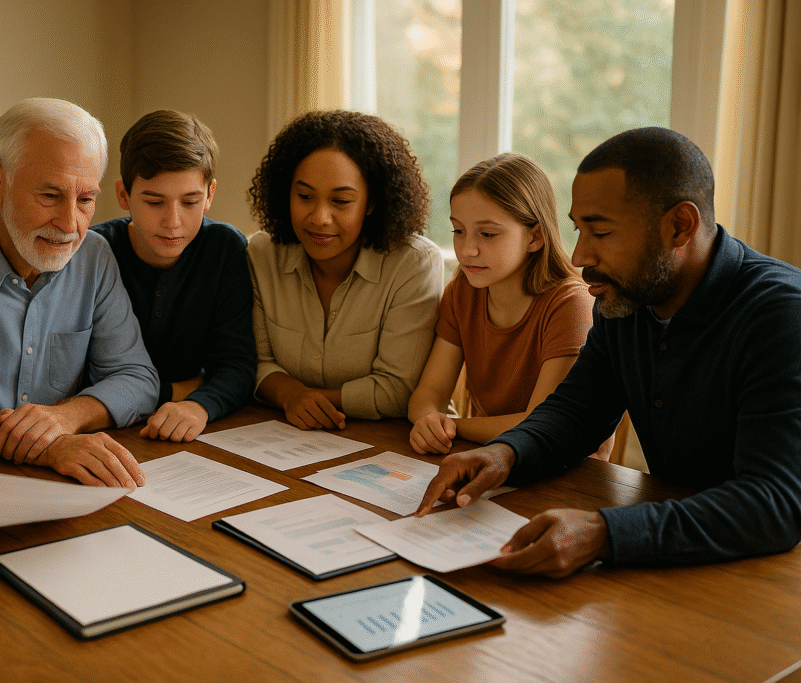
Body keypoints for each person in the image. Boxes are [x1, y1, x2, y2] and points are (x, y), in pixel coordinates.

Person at [417, 127, 801, 576]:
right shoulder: (625, 300)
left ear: (680, 225)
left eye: (600, 232)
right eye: (579, 229)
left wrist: (604, 532)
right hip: (674, 558)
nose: (579, 255)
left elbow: (773, 503)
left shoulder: (781, 315)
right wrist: (505, 454)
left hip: (770, 574)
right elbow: (576, 414)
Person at [0, 98, 159, 488]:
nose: (70, 223)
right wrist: (49, 447)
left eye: (86, 200)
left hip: (67, 486)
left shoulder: (94, 255)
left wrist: (66, 418)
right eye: (49, 196)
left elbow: (137, 378)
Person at [247, 110, 443, 430]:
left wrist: (302, 398)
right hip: (283, 435)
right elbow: (251, 363)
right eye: (305, 196)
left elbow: (399, 390)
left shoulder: (413, 264)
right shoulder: (261, 254)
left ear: (371, 203)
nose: (320, 217)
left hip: (394, 442)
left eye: (341, 201)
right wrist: (290, 395)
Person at [408, 153, 595, 454]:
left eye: (488, 234)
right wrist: (429, 418)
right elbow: (428, 393)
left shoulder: (571, 305)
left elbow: (540, 425)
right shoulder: (462, 293)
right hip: (488, 454)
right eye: (458, 230)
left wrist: (450, 428)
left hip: (564, 468)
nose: (467, 250)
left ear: (535, 237)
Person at [92, 110, 255, 443]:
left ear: (209, 194)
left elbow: (237, 364)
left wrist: (200, 403)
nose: (173, 221)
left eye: (190, 201)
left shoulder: (225, 248)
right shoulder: (95, 252)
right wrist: (177, 388)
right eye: (154, 202)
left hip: (188, 429)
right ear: (123, 195)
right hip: (107, 428)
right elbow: (84, 373)